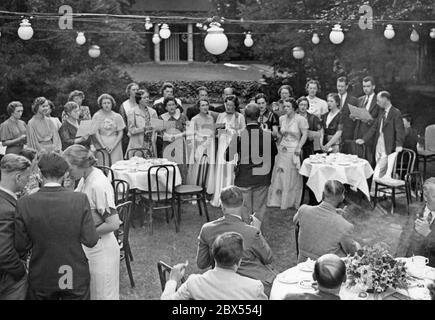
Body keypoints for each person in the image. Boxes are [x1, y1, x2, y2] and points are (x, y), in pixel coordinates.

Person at [14, 152, 99, 300]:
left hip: (42, 273)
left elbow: (21, 245)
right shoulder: (79, 199)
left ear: (40, 174)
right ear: (65, 174)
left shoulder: (24, 203)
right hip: (74, 271)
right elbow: (90, 240)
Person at [63, 144, 121, 299]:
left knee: (103, 295)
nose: (67, 172)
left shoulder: (98, 184)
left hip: (103, 250)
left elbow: (113, 223)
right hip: (91, 247)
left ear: (81, 164)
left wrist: (84, 233)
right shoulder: (83, 179)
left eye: (69, 168)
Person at [197, 186, 275, 296]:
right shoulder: (251, 232)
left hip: (221, 283)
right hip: (253, 284)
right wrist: (257, 232)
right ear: (243, 204)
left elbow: (201, 263)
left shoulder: (206, 229)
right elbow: (268, 258)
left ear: (222, 205)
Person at [162, 232, 268, 300]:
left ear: (213, 256)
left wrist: (172, 280)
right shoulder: (254, 288)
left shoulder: (193, 283)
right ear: (239, 261)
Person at [226, 103, 277, 228]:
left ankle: (247, 232)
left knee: (245, 209)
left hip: (244, 177)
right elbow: (274, 153)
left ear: (245, 116)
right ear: (258, 116)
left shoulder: (238, 135)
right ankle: (256, 232)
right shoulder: (267, 135)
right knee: (259, 208)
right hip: (262, 177)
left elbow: (227, 156)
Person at [293, 180, 359, 263]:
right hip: (326, 269)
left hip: (302, 263)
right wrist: (338, 219)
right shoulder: (345, 226)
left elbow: (295, 221)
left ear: (323, 193)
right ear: (342, 197)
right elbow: (352, 253)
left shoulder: (303, 210)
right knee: (357, 245)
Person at [356, 91, 405, 189]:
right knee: (380, 170)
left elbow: (400, 130)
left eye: (378, 101)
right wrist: (364, 139)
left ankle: (374, 194)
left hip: (388, 147)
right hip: (378, 145)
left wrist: (399, 145)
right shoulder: (381, 112)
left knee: (378, 171)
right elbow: (374, 128)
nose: (377, 103)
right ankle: (381, 193)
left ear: (385, 99)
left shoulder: (396, 113)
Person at [0, 154, 31, 300]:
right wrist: (21, 270)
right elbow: (4, 251)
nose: (28, 180)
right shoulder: (7, 209)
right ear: (18, 177)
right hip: (9, 278)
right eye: (27, 177)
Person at [268, 98, 308, 210]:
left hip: (294, 149)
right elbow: (281, 134)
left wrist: (299, 147)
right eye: (284, 106)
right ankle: (277, 200)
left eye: (288, 106)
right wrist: (277, 144)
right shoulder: (281, 118)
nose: (285, 108)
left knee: (291, 174)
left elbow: (304, 134)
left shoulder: (301, 119)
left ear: (294, 108)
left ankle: (290, 201)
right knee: (279, 173)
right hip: (282, 148)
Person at [210, 95, 246, 207]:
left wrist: (233, 131)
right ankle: (219, 197)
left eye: (231, 105)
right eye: (227, 105)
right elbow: (216, 132)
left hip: (233, 145)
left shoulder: (239, 116)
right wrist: (220, 130)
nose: (228, 107)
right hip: (222, 144)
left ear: (235, 106)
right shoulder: (221, 115)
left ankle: (232, 198)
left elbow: (243, 132)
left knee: (230, 170)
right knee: (221, 167)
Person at [186, 98, 216, 194]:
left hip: (210, 146)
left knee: (208, 167)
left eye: (206, 105)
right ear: (198, 107)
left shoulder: (211, 118)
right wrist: (194, 151)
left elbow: (212, 132)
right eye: (202, 105)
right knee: (198, 168)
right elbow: (191, 136)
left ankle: (206, 189)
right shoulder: (194, 119)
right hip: (199, 146)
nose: (205, 107)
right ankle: (195, 191)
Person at [158, 96, 189, 181]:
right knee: (168, 167)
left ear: (176, 106)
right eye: (169, 105)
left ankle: (182, 189)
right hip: (167, 145)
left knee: (181, 166)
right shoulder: (161, 118)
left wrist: (178, 136)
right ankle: (169, 188)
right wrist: (166, 136)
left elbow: (189, 130)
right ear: (165, 107)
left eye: (173, 104)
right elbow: (159, 132)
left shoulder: (183, 117)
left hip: (179, 146)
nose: (171, 107)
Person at [406, 177, 435, 267]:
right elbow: (404, 239)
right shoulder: (416, 211)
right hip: (412, 264)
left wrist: (427, 233)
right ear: (426, 197)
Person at [298, 96, 321, 205]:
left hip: (308, 148)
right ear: (298, 106)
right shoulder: (294, 116)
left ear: (308, 106)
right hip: (296, 147)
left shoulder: (313, 118)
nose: (303, 107)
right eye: (301, 105)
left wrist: (308, 134)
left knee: (309, 173)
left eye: (305, 105)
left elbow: (318, 134)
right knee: (297, 174)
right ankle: (298, 197)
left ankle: (312, 199)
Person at [353, 76, 381, 166]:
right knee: (357, 163)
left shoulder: (379, 101)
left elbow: (378, 123)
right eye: (364, 86)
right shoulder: (360, 100)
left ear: (373, 87)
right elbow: (358, 120)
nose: (365, 89)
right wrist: (354, 116)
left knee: (368, 164)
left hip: (370, 138)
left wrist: (368, 120)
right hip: (358, 135)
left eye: (368, 86)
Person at [91, 93, 125, 165]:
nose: (106, 105)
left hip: (115, 143)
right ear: (101, 104)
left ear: (112, 104)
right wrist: (103, 146)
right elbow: (95, 132)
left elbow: (121, 132)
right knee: (103, 164)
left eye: (108, 103)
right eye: (104, 103)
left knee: (116, 164)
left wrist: (113, 145)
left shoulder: (117, 116)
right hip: (101, 144)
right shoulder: (96, 116)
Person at [125, 89, 158, 159]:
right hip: (137, 145)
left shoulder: (153, 112)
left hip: (150, 146)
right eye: (144, 98)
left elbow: (156, 128)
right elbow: (131, 130)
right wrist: (144, 129)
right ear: (139, 100)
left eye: (148, 97)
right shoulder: (132, 112)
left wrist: (153, 140)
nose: (147, 99)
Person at [336, 76, 359, 154]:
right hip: (333, 135)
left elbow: (358, 119)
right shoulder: (331, 99)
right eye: (338, 86)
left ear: (346, 86)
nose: (340, 88)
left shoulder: (354, 100)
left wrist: (354, 118)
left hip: (348, 135)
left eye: (342, 86)